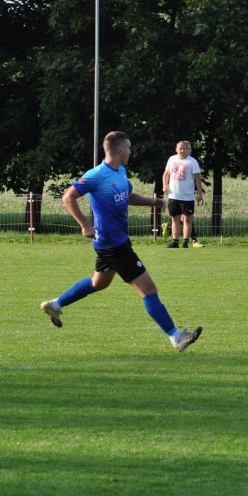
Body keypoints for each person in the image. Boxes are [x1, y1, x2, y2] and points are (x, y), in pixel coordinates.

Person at [40, 131, 202, 352]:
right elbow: (68, 197)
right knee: (148, 288)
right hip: (113, 244)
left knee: (99, 283)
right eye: (129, 148)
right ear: (119, 150)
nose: (130, 152)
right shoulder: (96, 175)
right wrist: (85, 225)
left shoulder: (121, 171)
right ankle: (176, 336)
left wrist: (152, 202)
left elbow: (127, 197)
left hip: (114, 242)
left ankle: (55, 304)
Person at [162, 140, 203, 248]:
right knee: (175, 218)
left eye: (184, 149)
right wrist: (165, 185)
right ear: (176, 149)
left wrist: (199, 193)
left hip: (187, 197)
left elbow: (198, 178)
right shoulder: (171, 159)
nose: (182, 151)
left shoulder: (192, 162)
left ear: (187, 150)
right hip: (173, 195)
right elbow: (166, 173)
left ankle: (185, 242)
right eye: (180, 148)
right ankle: (175, 241)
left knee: (187, 219)